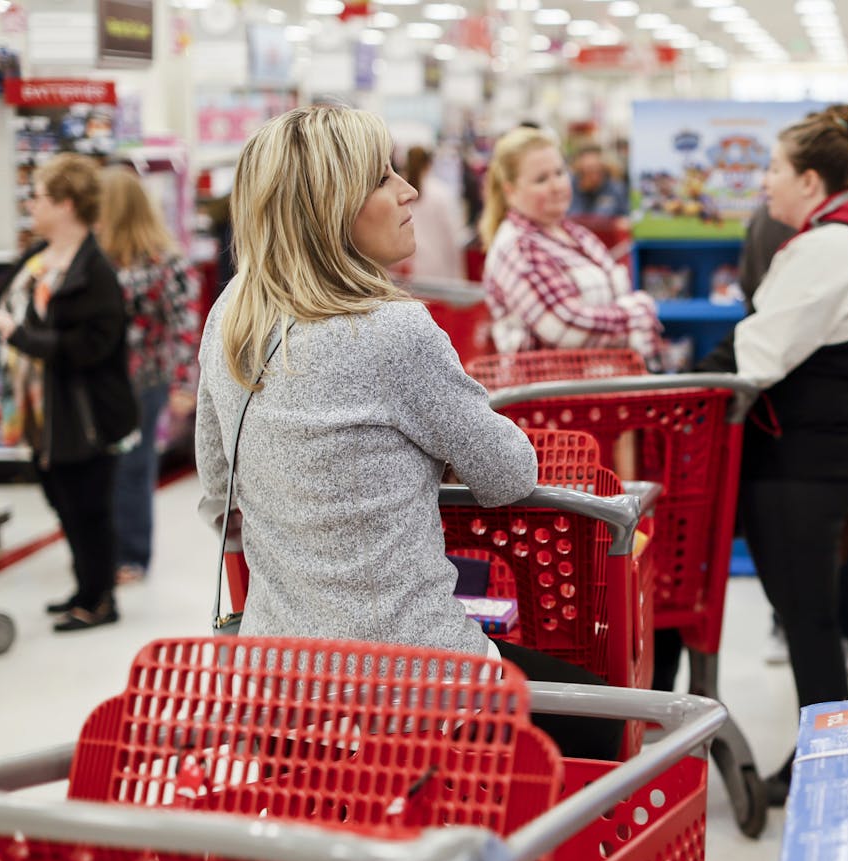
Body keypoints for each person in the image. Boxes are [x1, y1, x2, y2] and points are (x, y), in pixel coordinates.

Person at [194, 106, 619, 761]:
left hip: (281, 693)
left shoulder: (231, 316)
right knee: (617, 722)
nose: (409, 189)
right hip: (419, 690)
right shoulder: (395, 331)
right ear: (332, 207)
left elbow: (218, 492)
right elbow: (510, 476)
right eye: (383, 177)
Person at [697, 104, 848, 806]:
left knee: (810, 621)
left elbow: (756, 353)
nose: (765, 183)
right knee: (810, 618)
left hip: (805, 464)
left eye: (774, 170)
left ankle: (829, 762)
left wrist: (691, 386)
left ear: (811, 181)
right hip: (826, 457)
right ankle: (825, 753)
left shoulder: (827, 249)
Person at [0, 155, 139, 631]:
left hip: (86, 415)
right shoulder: (38, 259)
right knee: (63, 502)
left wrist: (19, 335)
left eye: (39, 197)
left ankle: (100, 600)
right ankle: (84, 589)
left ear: (66, 205)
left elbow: (89, 349)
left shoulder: (95, 272)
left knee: (89, 507)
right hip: (43, 413)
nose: (32, 205)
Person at [96, 168, 200, 586]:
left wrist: (182, 383)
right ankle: (104, 549)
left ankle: (132, 555)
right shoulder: (97, 258)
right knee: (104, 468)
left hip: (144, 380)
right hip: (99, 380)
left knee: (133, 468)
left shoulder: (165, 262)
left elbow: (184, 325)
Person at [481, 126, 662, 362]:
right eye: (541, 179)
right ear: (511, 190)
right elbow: (567, 327)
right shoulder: (518, 246)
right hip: (549, 392)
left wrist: (621, 316)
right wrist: (637, 314)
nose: (556, 185)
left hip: (596, 385)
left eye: (559, 172)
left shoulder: (576, 234)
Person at [394, 145, 467, 283]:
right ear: (429, 164)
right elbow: (453, 236)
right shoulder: (441, 193)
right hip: (440, 271)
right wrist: (459, 274)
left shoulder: (401, 192)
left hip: (412, 270)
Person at [568, 144, 629, 218]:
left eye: (597, 168)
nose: (593, 176)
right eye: (589, 169)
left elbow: (626, 219)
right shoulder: (570, 188)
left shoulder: (616, 189)